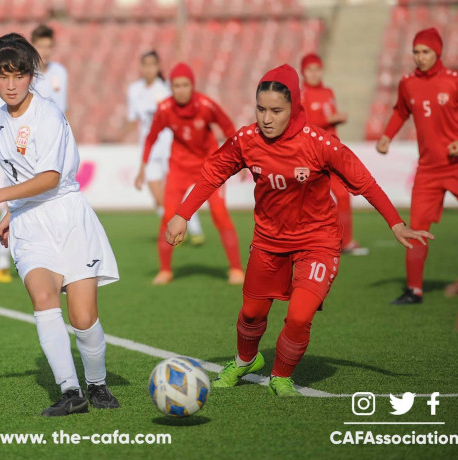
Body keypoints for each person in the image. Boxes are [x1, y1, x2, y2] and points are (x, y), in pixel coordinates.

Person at [166, 64, 433, 396]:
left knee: (298, 316)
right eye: (261, 109)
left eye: (276, 110)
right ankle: (246, 360)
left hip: (317, 241)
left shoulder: (320, 143)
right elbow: (212, 174)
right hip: (268, 240)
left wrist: (396, 223)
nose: (266, 118)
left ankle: (281, 375)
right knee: (251, 314)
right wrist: (182, 214)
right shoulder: (246, 140)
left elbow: (365, 183)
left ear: (294, 107)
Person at [0, 33, 120, 416]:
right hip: (30, 224)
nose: (10, 84)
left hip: (68, 216)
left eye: (18, 75)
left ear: (31, 76)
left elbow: (49, 178)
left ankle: (97, 384)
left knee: (84, 318)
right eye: (2, 75)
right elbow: (21, 172)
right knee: (43, 298)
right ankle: (71, 392)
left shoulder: (47, 114)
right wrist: (11, 211)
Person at [377, 27, 458, 305]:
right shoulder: (408, 83)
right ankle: (414, 290)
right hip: (428, 170)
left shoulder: (456, 81)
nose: (420, 57)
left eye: (425, 52)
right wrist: (387, 135)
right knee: (416, 227)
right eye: (416, 52)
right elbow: (400, 111)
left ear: (438, 52)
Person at [135, 62, 244, 285]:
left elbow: (229, 129)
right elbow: (151, 138)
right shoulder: (165, 109)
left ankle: (235, 269)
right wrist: (143, 167)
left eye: (185, 85)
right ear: (171, 87)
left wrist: (241, 158)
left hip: (210, 168)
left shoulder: (206, 105)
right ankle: (165, 270)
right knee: (168, 216)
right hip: (179, 168)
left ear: (192, 86)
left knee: (220, 214)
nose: (181, 89)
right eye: (176, 85)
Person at [0, 24, 70, 284]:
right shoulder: (15, 74)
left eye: (49, 46)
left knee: (48, 198)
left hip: (47, 147)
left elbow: (62, 109)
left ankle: (54, 257)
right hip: (20, 154)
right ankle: (3, 260)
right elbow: (1, 112)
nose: (45, 51)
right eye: (40, 47)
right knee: (12, 204)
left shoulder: (59, 74)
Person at [120, 51, 205, 244]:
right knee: (158, 196)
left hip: (169, 145)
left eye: (152, 65)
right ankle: (173, 228)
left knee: (177, 191)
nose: (148, 69)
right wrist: (116, 136)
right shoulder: (134, 90)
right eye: (145, 65)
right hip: (149, 147)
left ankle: (195, 229)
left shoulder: (166, 88)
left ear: (158, 67)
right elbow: (134, 119)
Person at [300, 53, 366, 255]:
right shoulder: (301, 94)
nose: (314, 73)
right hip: (311, 154)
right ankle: (304, 242)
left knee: (343, 195)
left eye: (317, 69)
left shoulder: (328, 91)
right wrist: (330, 119)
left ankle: (345, 242)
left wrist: (333, 120)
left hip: (331, 151)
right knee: (307, 201)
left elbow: (327, 120)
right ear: (303, 72)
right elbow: (304, 124)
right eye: (310, 69)